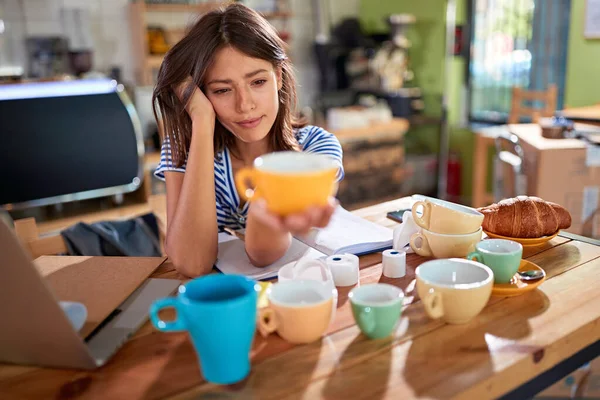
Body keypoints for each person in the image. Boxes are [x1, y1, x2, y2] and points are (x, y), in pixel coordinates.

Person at [152, 3, 344, 277]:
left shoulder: (315, 150)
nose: (245, 105)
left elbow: (262, 256)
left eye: (257, 83)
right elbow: (191, 264)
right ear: (202, 94)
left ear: (278, 77)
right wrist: (202, 121)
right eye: (222, 90)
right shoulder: (183, 146)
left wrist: (267, 218)